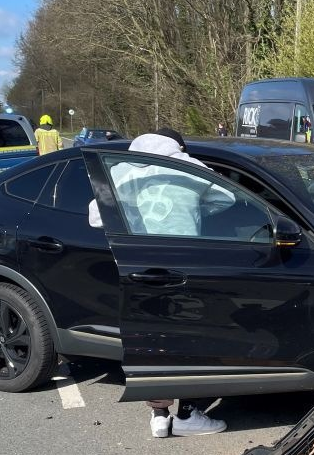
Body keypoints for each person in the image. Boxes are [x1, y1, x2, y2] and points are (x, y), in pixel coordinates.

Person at [86, 128, 228, 438]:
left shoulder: (121, 170)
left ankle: (159, 416)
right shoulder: (188, 165)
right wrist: (196, 207)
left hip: (140, 266)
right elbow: (226, 197)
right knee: (189, 339)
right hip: (184, 263)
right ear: (179, 144)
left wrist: (131, 216)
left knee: (154, 343)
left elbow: (96, 218)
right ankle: (189, 414)